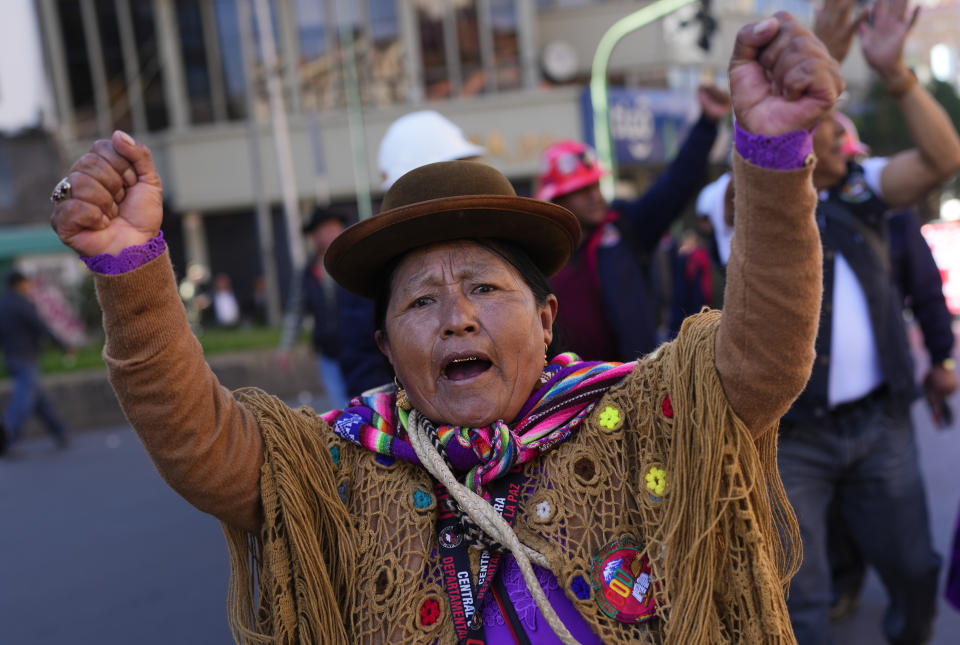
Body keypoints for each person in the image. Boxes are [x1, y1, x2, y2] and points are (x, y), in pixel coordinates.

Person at [49, 13, 841, 643]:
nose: (456, 315)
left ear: (547, 316)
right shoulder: (335, 466)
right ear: (388, 348)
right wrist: (131, 271)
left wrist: (772, 154)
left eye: (485, 287)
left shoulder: (642, 417)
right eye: (420, 301)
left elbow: (766, 358)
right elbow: (200, 444)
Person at [771, 1, 960, 643]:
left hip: (881, 423)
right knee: (802, 597)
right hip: (794, 436)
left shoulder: (861, 190)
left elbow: (941, 158)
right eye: (816, 119)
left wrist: (897, 73)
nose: (828, 129)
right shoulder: (749, 200)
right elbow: (763, 168)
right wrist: (819, 67)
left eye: (830, 120)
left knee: (913, 566)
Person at [535, 83, 730, 361]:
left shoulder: (626, 228)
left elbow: (675, 185)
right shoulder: (540, 257)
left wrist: (707, 123)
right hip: (570, 390)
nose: (596, 196)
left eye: (596, 186)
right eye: (582, 190)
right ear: (557, 200)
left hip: (631, 385)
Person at [338, 110, 487, 396]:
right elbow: (362, 362)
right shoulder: (376, 263)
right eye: (422, 302)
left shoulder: (495, 240)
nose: (459, 320)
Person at [278, 208, 351, 409]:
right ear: (314, 236)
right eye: (324, 229)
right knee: (340, 407)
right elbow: (296, 311)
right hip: (327, 351)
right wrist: (286, 347)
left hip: (358, 348)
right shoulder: (307, 273)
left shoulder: (353, 263)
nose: (330, 233)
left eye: (334, 227)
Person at [0, 271, 69, 454]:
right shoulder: (22, 304)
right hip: (25, 357)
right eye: (27, 283)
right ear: (20, 284)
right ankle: (6, 439)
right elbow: (40, 326)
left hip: (12, 357)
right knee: (22, 401)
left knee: (38, 399)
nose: (30, 286)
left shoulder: (3, 304)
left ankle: (59, 431)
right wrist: (63, 345)